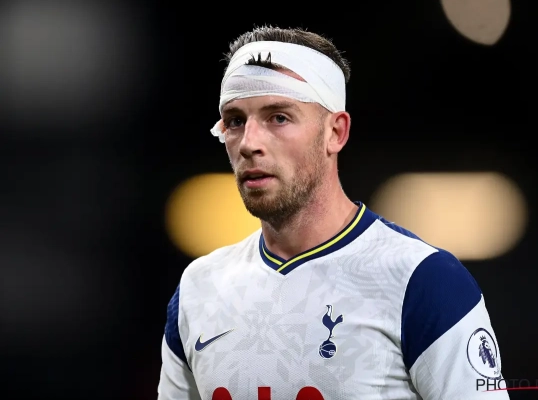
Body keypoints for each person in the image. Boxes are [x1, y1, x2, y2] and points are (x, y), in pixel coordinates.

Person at [157, 25, 509, 400]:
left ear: (335, 132)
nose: (249, 143)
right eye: (235, 121)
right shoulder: (199, 289)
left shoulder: (421, 281)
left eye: (279, 117)